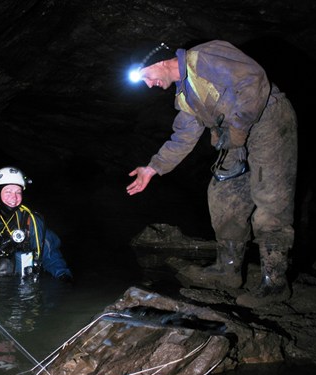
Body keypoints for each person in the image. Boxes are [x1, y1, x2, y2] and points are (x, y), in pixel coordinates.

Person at [126, 40, 298, 308]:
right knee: (223, 197)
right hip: (234, 137)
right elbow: (183, 137)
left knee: (271, 198)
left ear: (160, 62)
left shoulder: (204, 57)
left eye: (145, 77)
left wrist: (238, 129)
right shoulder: (184, 97)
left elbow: (254, 79)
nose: (148, 85)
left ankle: (274, 283)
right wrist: (153, 167)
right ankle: (228, 271)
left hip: (269, 120)